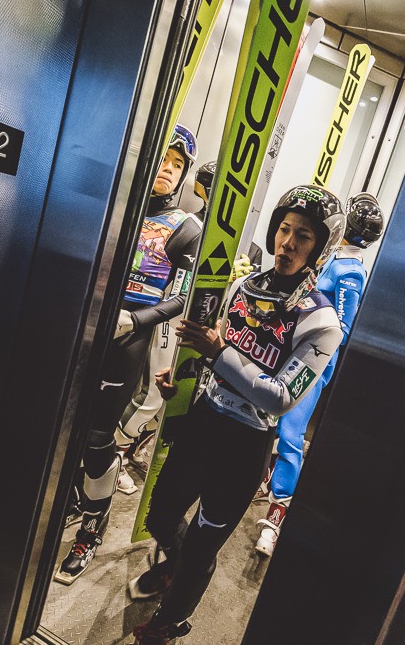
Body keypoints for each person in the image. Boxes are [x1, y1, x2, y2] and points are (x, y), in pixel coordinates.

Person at [126, 185, 346, 644]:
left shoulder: (322, 322)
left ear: (320, 247)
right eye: (283, 229)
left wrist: (218, 351)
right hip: (203, 421)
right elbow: (211, 350)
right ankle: (178, 566)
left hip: (245, 446)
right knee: (161, 515)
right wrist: (179, 378)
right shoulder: (245, 287)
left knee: (204, 544)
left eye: (303, 236)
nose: (287, 243)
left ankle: (170, 621)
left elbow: (280, 397)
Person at [55, 124, 200, 585]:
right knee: (64, 427)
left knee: (97, 437)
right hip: (84, 326)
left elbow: (183, 296)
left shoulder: (185, 227)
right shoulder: (118, 207)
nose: (168, 170)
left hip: (127, 335)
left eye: (177, 165)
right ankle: (75, 500)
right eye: (164, 159)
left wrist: (135, 321)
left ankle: (93, 527)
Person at [254, 192, 385, 556]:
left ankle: (277, 513)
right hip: (284, 349)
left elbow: (340, 328)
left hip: (310, 363)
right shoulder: (329, 258)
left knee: (290, 434)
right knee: (264, 420)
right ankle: (262, 479)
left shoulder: (349, 271)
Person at [115, 159, 218, 495]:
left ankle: (118, 451)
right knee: (150, 395)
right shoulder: (186, 223)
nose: (169, 169)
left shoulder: (208, 232)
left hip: (186, 323)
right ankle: (113, 453)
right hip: (156, 315)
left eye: (177, 164)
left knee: (163, 397)